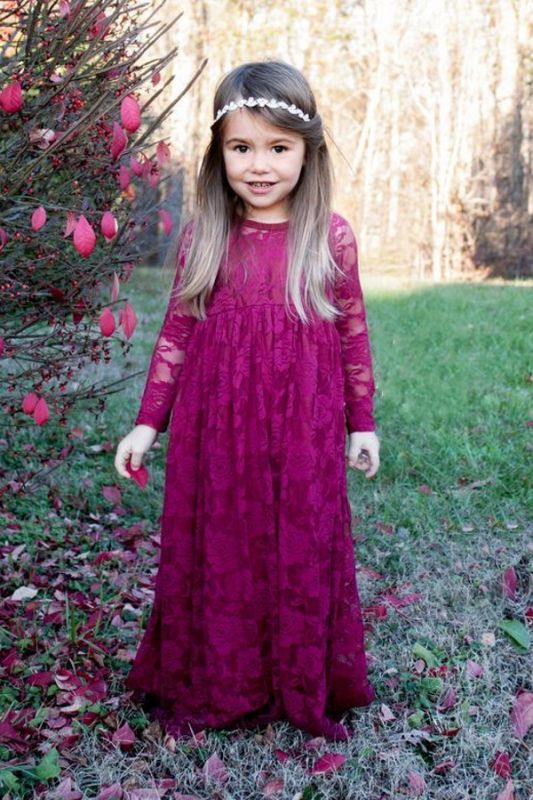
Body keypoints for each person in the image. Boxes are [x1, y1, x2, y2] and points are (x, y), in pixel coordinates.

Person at [114, 60, 380, 743]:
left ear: (306, 151)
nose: (259, 165)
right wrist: (149, 422)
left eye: (277, 147)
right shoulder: (206, 233)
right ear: (218, 152)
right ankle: (224, 678)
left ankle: (294, 676)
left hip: (303, 428)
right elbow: (175, 332)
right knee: (224, 546)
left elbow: (352, 333)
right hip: (217, 429)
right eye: (241, 147)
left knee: (297, 542)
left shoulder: (331, 236)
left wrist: (362, 424)